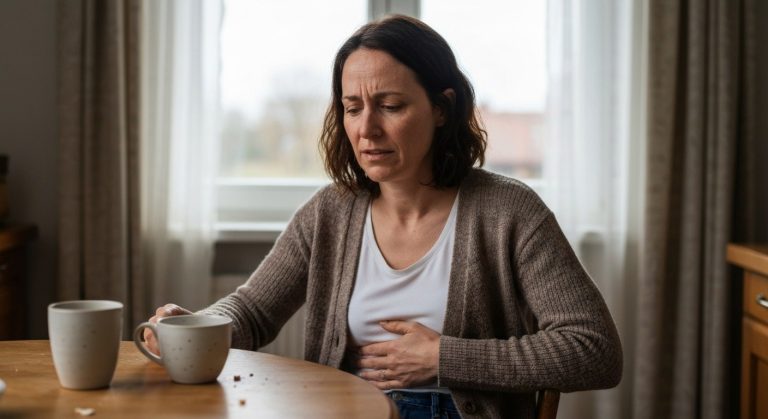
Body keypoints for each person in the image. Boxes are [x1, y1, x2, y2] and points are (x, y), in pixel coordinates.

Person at [144, 14, 622, 419]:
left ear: (442, 107)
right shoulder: (330, 211)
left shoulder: (510, 212)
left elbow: (594, 350)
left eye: (391, 106)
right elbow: (252, 311)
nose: (367, 128)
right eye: (353, 108)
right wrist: (197, 325)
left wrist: (443, 357)